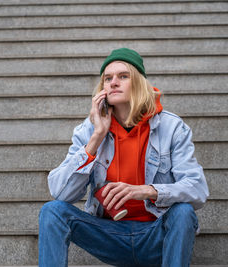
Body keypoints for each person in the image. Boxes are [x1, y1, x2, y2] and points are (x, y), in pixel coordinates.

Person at [38, 48, 209, 267]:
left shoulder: (171, 127)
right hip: (109, 234)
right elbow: (60, 193)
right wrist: (97, 137)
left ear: (138, 82)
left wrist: (146, 190)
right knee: (52, 211)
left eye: (123, 76)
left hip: (156, 232)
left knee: (184, 212)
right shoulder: (88, 131)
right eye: (107, 78)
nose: (113, 82)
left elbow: (198, 189)